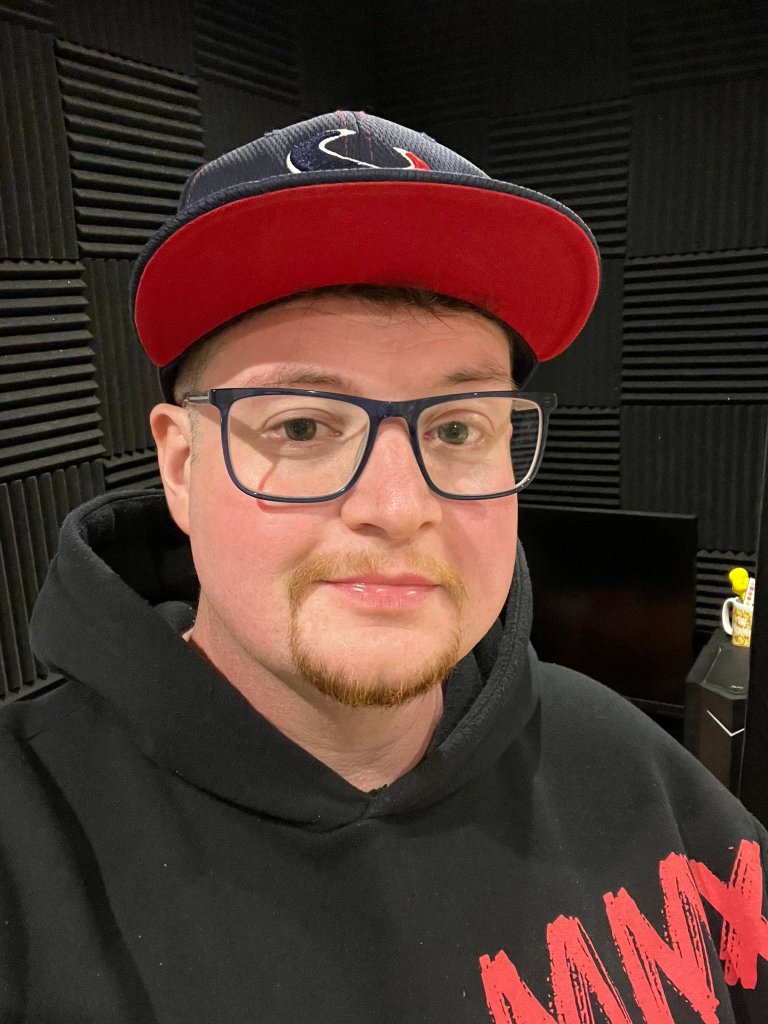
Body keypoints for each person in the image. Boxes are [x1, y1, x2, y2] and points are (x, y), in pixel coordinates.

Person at [2, 110, 766, 1023]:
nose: (399, 509)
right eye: (300, 426)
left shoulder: (640, 773)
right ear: (181, 465)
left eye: (456, 428)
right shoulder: (27, 851)